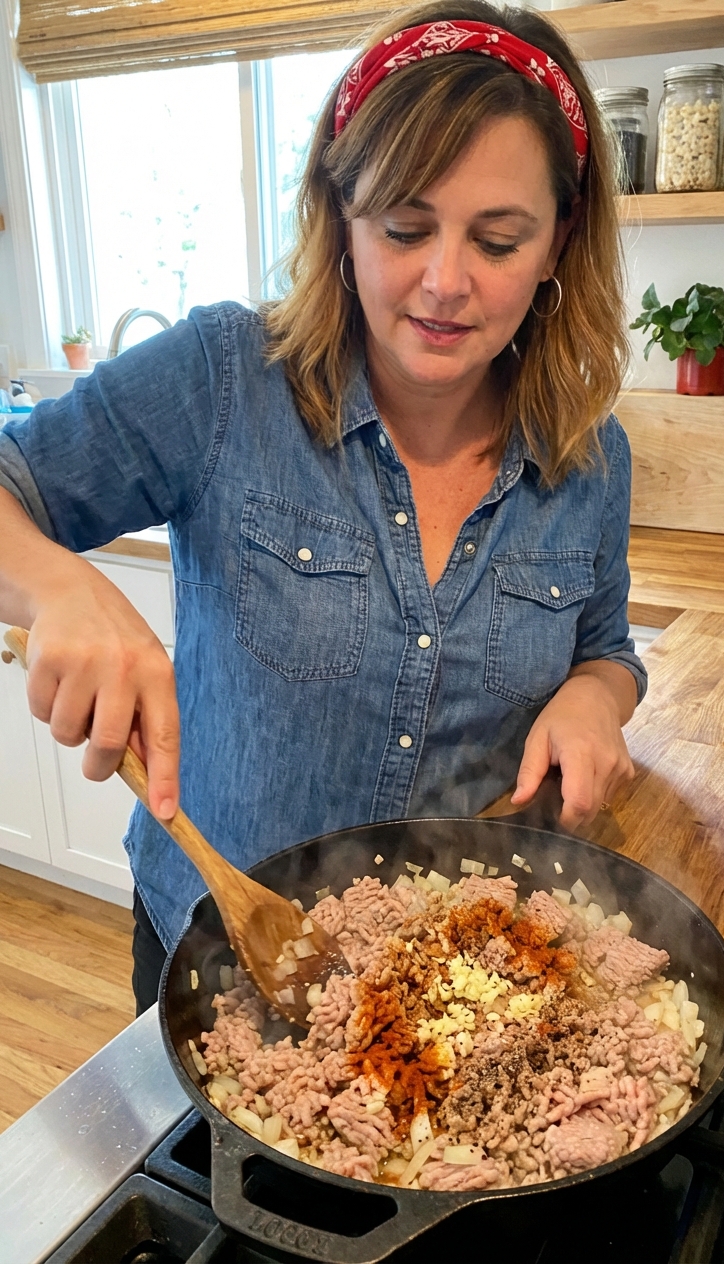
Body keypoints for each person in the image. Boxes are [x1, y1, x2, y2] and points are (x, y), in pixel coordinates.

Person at [0, 0, 645, 1013]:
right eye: (403, 226)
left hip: (454, 986)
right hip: (219, 953)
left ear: (558, 240)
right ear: (339, 216)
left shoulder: (588, 456)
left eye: (497, 239)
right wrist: (55, 584)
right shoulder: (223, 382)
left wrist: (594, 696)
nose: (443, 282)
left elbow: (607, 645)